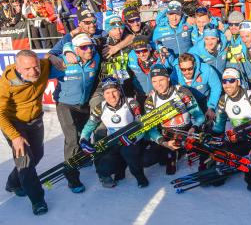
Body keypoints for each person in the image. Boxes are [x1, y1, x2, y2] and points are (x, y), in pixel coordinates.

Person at [0, 50, 51, 215]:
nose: (34, 72)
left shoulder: (43, 66)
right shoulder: (7, 83)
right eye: (27, 69)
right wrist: (15, 137)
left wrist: (54, 56)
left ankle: (13, 182)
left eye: (36, 66)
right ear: (18, 67)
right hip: (14, 123)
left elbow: (50, 56)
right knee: (26, 161)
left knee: (37, 155)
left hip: (35, 119)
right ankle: (38, 200)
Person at [48, 33, 100, 194]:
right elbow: (39, 74)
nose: (89, 49)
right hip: (65, 105)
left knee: (83, 133)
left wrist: (69, 48)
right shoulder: (62, 63)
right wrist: (54, 56)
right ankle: (72, 177)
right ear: (76, 50)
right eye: (84, 47)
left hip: (83, 103)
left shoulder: (95, 58)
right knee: (72, 140)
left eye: (90, 46)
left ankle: (82, 158)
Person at [80, 78, 147, 188]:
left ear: (119, 91)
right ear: (103, 94)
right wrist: (83, 140)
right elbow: (87, 128)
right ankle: (120, 169)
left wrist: (134, 138)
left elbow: (143, 127)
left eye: (114, 91)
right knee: (103, 169)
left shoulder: (132, 103)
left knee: (128, 151)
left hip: (133, 141)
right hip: (115, 143)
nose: (111, 96)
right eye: (107, 93)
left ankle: (139, 176)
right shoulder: (100, 108)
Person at [210, 68, 251, 191]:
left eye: (231, 80)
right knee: (216, 181)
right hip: (236, 138)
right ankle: (233, 165)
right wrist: (211, 137)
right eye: (224, 81)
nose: (227, 85)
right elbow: (219, 124)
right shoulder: (223, 99)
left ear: (238, 82)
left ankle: (249, 174)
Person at [141, 64, 205, 174]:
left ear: (168, 78)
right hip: (166, 133)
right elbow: (151, 129)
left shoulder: (182, 92)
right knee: (145, 161)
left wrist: (194, 127)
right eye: (154, 81)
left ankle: (177, 152)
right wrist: (164, 143)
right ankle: (170, 152)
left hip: (184, 130)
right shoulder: (150, 100)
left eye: (161, 80)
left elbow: (199, 115)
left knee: (196, 145)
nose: (158, 84)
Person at [167, 53, 222, 121]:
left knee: (208, 121)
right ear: (179, 67)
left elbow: (216, 88)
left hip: (203, 99)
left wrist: (211, 108)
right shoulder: (175, 75)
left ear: (194, 64)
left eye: (190, 68)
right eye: (183, 69)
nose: (187, 72)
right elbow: (166, 88)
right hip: (185, 101)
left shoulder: (207, 69)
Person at [127, 36, 164, 109]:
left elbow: (174, 67)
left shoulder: (161, 56)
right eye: (138, 51)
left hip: (158, 91)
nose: (141, 54)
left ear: (150, 48)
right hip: (140, 92)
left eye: (144, 51)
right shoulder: (131, 56)